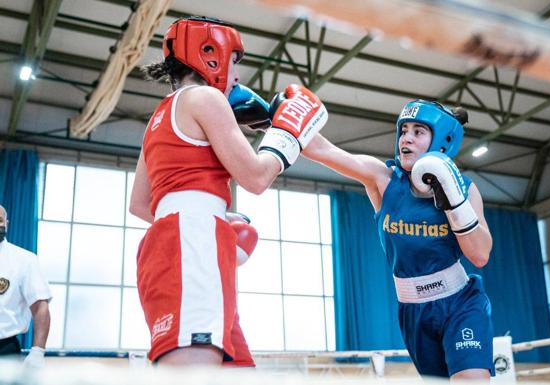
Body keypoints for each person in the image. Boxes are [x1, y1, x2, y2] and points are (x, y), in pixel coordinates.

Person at [129, 16, 327, 366]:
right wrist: (287, 134)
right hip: (192, 244)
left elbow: (141, 205)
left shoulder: (158, 117)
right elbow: (255, 177)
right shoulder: (205, 97)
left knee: (236, 369)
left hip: (176, 243)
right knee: (195, 373)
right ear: (210, 53)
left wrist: (215, 216)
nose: (237, 76)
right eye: (234, 63)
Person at [302, 100, 495, 380]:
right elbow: (322, 150)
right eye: (404, 130)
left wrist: (455, 203)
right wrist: (277, 118)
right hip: (413, 309)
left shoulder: (465, 188)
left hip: (460, 303)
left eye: (419, 131)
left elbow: (480, 255)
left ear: (442, 140)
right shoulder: (383, 179)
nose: (406, 137)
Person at [0, 204, 51, 369]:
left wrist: (38, 351)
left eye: (0, 220)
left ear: (7, 223)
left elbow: (40, 306)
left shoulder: (25, 260)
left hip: (4, 350)